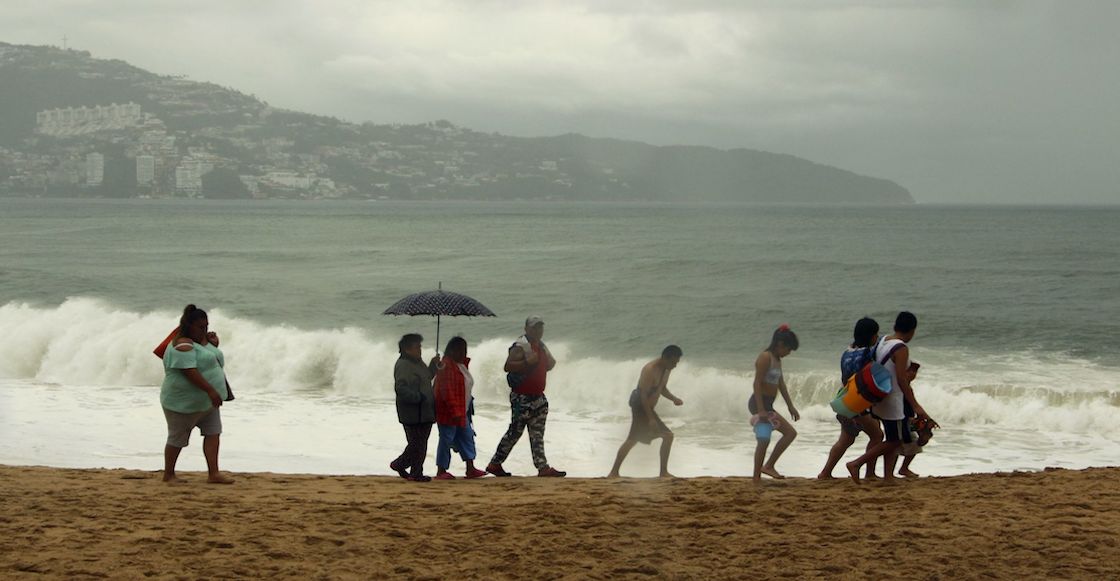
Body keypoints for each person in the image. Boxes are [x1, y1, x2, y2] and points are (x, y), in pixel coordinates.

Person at [845, 312, 939, 484]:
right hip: (893, 401)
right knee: (895, 441)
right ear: (912, 330)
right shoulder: (901, 348)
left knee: (891, 438)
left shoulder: (883, 341)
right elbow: (902, 380)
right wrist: (915, 405)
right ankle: (856, 463)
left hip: (880, 397)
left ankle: (888, 477)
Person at [160, 304, 234, 484]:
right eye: (200, 327)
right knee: (177, 439)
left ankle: (213, 474)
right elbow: (189, 371)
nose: (204, 330)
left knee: (213, 433)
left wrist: (213, 345)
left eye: (206, 326)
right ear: (189, 325)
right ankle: (169, 474)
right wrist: (211, 391)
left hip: (206, 403)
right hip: (183, 403)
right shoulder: (182, 344)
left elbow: (209, 360)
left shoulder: (201, 342)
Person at [486, 316, 566, 477]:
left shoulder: (541, 345)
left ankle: (542, 467)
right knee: (515, 432)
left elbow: (550, 364)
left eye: (540, 327)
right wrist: (527, 363)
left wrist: (544, 365)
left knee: (537, 434)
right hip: (522, 397)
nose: (538, 331)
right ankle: (495, 464)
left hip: (538, 397)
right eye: (535, 327)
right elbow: (507, 366)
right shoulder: (520, 346)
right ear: (526, 329)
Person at [818, 317, 885, 480]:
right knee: (877, 435)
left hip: (844, 400)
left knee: (846, 440)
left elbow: (845, 379)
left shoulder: (847, 353)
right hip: (857, 403)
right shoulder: (868, 353)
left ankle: (825, 473)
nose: (877, 337)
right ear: (871, 335)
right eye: (876, 334)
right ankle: (870, 473)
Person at [608, 345, 685, 478]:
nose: (675, 365)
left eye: (677, 362)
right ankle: (663, 472)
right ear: (665, 358)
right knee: (667, 436)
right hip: (640, 406)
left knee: (633, 439)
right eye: (673, 362)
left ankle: (614, 473)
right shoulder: (650, 369)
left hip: (647, 408)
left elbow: (662, 388)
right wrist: (651, 419)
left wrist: (674, 399)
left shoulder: (667, 369)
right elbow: (643, 395)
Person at [433, 336, 487, 480]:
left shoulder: (461, 365)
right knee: (446, 439)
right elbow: (447, 391)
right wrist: (454, 410)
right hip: (448, 412)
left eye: (465, 350)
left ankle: (470, 468)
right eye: (460, 350)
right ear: (452, 350)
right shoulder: (446, 366)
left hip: (463, 410)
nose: (463, 354)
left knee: (467, 437)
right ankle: (441, 470)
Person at [750, 325, 800, 482]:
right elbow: (757, 383)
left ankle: (768, 466)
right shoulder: (765, 357)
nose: (789, 353)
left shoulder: (777, 360)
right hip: (759, 402)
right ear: (780, 344)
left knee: (789, 434)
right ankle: (758, 476)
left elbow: (781, 384)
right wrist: (760, 409)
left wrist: (790, 406)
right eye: (788, 349)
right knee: (764, 440)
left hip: (768, 404)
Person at [390, 333, 440, 482]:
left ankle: (416, 472)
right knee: (416, 444)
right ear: (407, 349)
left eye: (420, 346)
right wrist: (417, 397)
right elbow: (400, 388)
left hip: (424, 411)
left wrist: (433, 366)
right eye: (417, 347)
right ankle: (400, 464)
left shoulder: (418, 363)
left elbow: (427, 377)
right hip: (412, 413)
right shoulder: (403, 365)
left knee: (420, 444)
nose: (420, 349)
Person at [897, 361, 935, 477]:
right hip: (901, 420)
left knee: (919, 440)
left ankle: (903, 468)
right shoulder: (901, 387)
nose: (913, 374)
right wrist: (927, 419)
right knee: (907, 444)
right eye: (910, 371)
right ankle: (903, 469)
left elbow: (914, 405)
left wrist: (923, 420)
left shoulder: (907, 387)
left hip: (909, 420)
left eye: (915, 372)